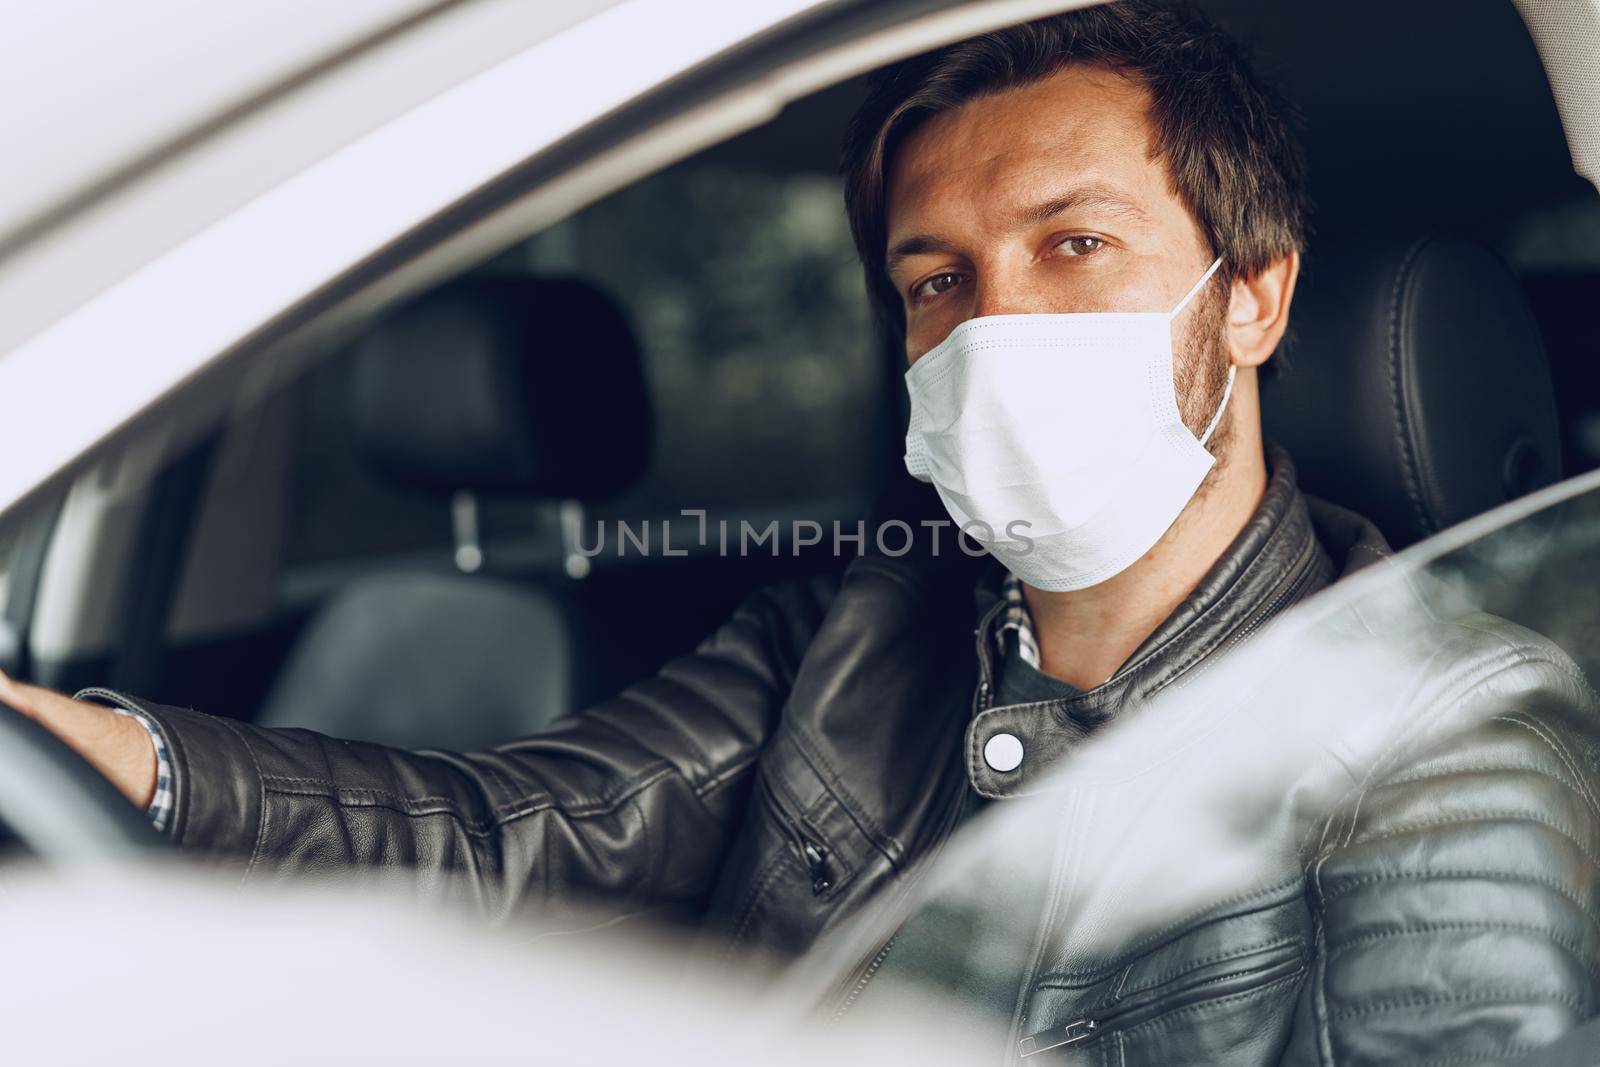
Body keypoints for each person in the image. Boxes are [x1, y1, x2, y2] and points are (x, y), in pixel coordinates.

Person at [4, 2, 1598, 1061]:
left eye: (1076, 243)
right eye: (935, 279)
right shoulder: (847, 642)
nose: (994, 324)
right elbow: (498, 840)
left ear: (1252, 299)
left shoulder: (1443, 736)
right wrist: (85, 752)